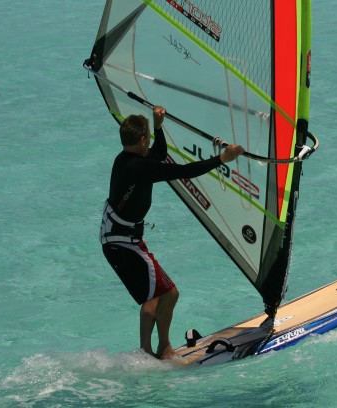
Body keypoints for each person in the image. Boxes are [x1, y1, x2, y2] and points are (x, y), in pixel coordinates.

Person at [100, 106, 244, 359]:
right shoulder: (140, 168)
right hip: (122, 243)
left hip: (119, 239)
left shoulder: (124, 160)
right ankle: (163, 349)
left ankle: (147, 353)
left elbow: (159, 154)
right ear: (142, 140)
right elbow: (183, 171)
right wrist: (222, 159)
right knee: (169, 293)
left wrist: (158, 127)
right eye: (148, 138)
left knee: (153, 295)